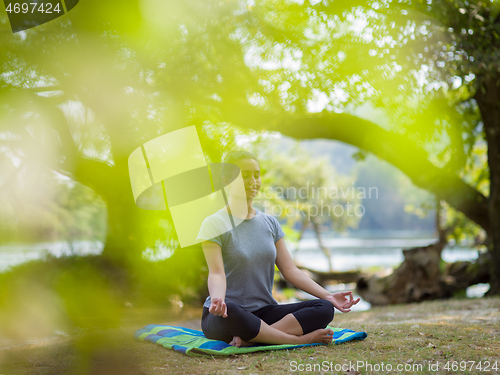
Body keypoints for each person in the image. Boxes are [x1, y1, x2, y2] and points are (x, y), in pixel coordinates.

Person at [196, 150, 360, 347]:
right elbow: (216, 274)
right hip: (226, 314)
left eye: (256, 174)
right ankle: (297, 339)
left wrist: (329, 295)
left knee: (324, 308)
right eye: (244, 175)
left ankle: (254, 339)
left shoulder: (269, 223)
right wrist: (217, 299)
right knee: (233, 310)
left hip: (264, 312)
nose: (253, 181)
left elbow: (290, 270)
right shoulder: (213, 224)